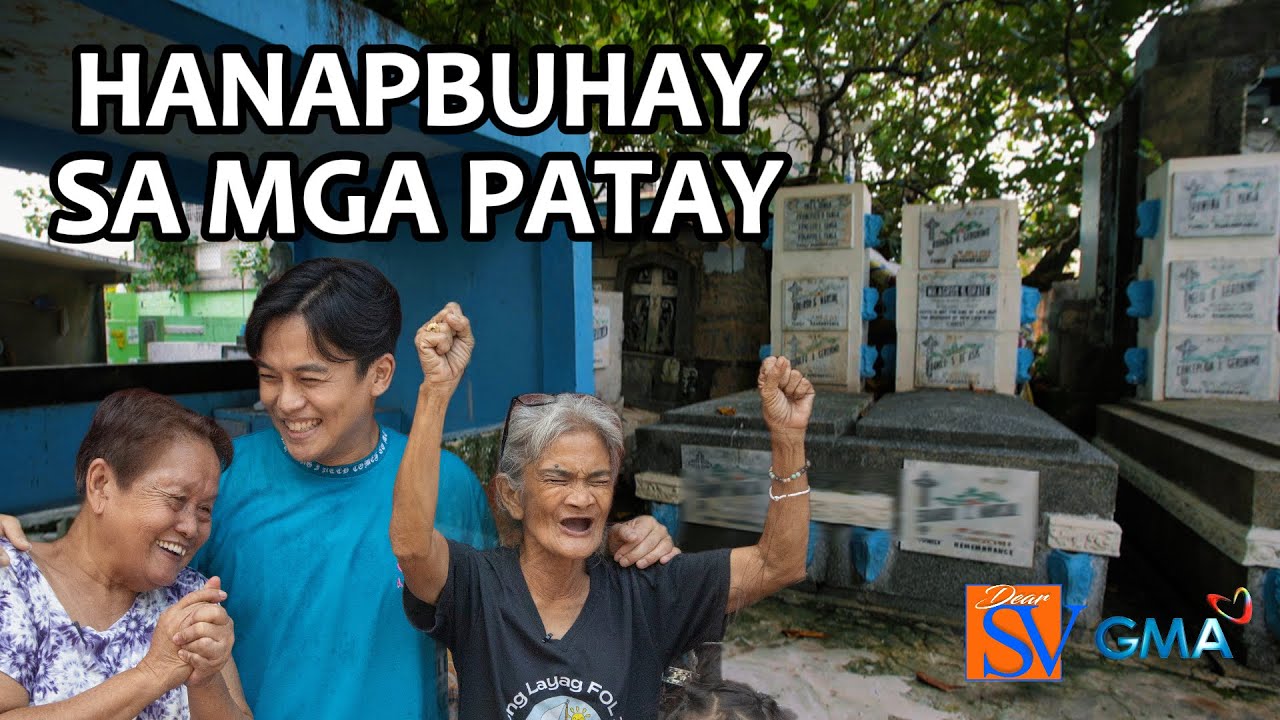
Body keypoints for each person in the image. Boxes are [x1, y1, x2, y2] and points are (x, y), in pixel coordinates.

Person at [0, 257, 677, 720]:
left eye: (311, 377)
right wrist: (36, 551)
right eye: (269, 376)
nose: (284, 401)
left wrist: (614, 546)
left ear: (378, 375)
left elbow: (508, 609)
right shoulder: (222, 484)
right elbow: (121, 575)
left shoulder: (441, 484)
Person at [391, 303, 815, 719]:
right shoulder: (476, 588)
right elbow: (412, 546)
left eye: (597, 480)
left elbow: (778, 564)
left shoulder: (647, 593)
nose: (582, 497)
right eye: (558, 479)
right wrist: (436, 391)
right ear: (512, 496)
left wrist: (789, 438)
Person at [0, 389, 251, 719]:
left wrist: (205, 680)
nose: (191, 527)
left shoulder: (190, 600)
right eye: (176, 500)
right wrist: (152, 674)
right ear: (101, 484)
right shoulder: (13, 582)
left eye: (204, 509)